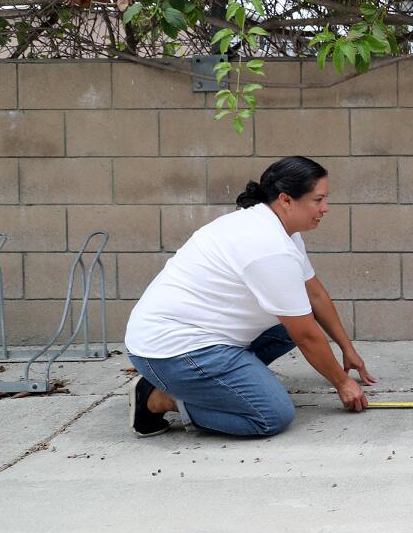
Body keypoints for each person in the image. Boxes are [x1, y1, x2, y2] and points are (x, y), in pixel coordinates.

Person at [125, 156, 376, 437]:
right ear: (286, 200)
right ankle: (159, 398)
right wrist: (342, 383)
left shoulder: (282, 231)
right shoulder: (268, 246)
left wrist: (346, 348)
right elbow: (306, 335)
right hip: (172, 351)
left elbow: (314, 294)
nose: (325, 208)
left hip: (202, 336)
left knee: (286, 325)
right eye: (318, 200)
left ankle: (223, 383)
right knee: (271, 415)